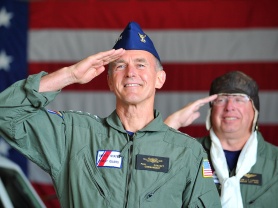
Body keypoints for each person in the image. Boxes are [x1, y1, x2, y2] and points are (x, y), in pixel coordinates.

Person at [0, 22, 221, 208]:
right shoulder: (74, 135)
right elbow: (6, 113)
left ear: (159, 79)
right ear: (109, 81)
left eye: (141, 64)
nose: (131, 72)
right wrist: (70, 75)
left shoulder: (188, 153)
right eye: (120, 65)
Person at [165, 71, 278, 208]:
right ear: (211, 111)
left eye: (239, 99)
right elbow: (147, 179)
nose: (229, 107)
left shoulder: (275, 162)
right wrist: (172, 123)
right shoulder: (188, 154)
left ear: (255, 110)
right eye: (221, 99)